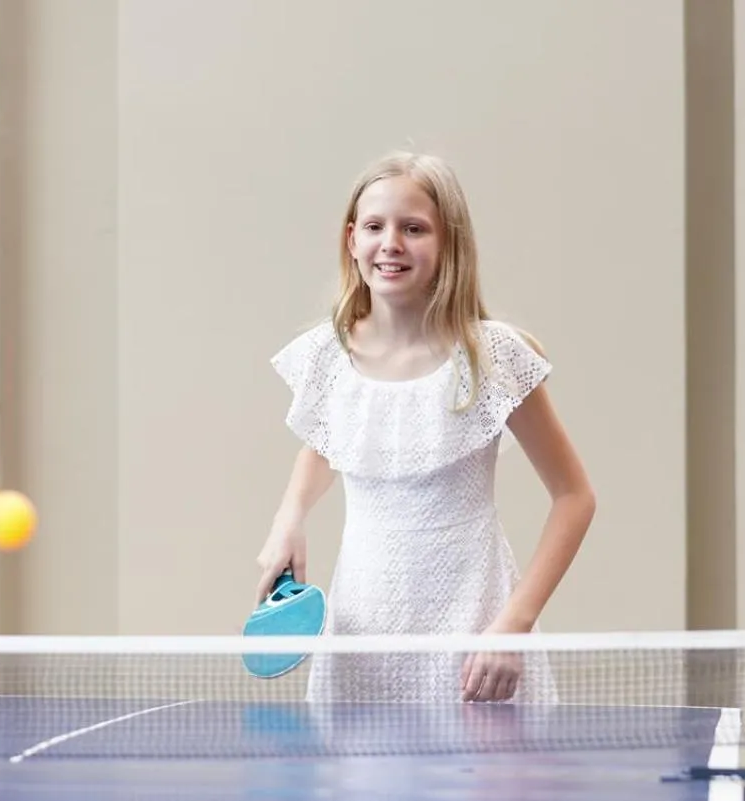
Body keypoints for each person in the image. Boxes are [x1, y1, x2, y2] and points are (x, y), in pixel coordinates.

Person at [255, 151, 595, 706]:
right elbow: (327, 445)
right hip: (362, 633)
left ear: (448, 244)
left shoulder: (494, 358)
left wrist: (513, 624)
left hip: (475, 635)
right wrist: (288, 518)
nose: (391, 243)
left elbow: (574, 497)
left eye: (414, 228)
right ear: (350, 240)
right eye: (374, 226)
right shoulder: (326, 356)